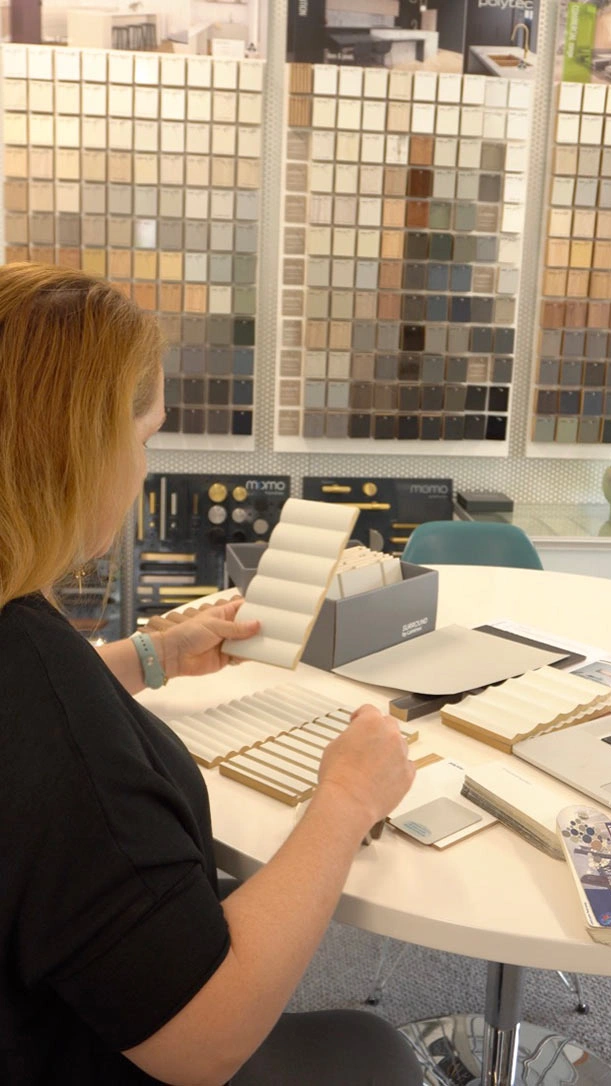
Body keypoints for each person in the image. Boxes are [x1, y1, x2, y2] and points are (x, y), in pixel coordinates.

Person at [0, 263, 422, 1085]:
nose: (145, 472)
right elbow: (201, 1042)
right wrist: (345, 798)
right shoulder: (57, 733)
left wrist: (147, 657)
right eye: (146, 438)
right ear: (77, 451)